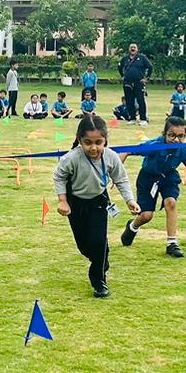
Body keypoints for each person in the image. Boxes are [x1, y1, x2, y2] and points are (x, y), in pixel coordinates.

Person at [53, 112, 139, 297]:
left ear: (105, 140)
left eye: (98, 142)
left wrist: (130, 200)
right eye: (88, 143)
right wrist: (62, 200)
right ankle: (102, 257)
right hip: (76, 204)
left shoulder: (111, 157)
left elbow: (121, 179)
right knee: (84, 246)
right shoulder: (71, 158)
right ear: (80, 140)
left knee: (98, 242)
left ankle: (99, 281)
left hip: (99, 202)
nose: (93, 148)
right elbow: (59, 176)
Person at [121, 115, 186, 259]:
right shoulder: (155, 145)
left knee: (171, 202)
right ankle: (132, 226)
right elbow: (127, 151)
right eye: (172, 135)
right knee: (146, 216)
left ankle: (172, 243)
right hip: (148, 178)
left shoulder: (183, 150)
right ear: (164, 134)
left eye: (181, 136)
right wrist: (117, 175)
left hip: (168, 177)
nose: (176, 140)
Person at [119, 43, 152, 122]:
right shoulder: (125, 59)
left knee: (140, 100)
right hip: (127, 83)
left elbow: (150, 67)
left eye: (134, 47)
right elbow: (120, 67)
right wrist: (122, 76)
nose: (132, 49)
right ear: (129, 49)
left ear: (137, 49)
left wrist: (147, 78)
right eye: (131, 47)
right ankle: (132, 118)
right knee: (129, 101)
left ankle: (143, 119)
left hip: (138, 82)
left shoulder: (142, 58)